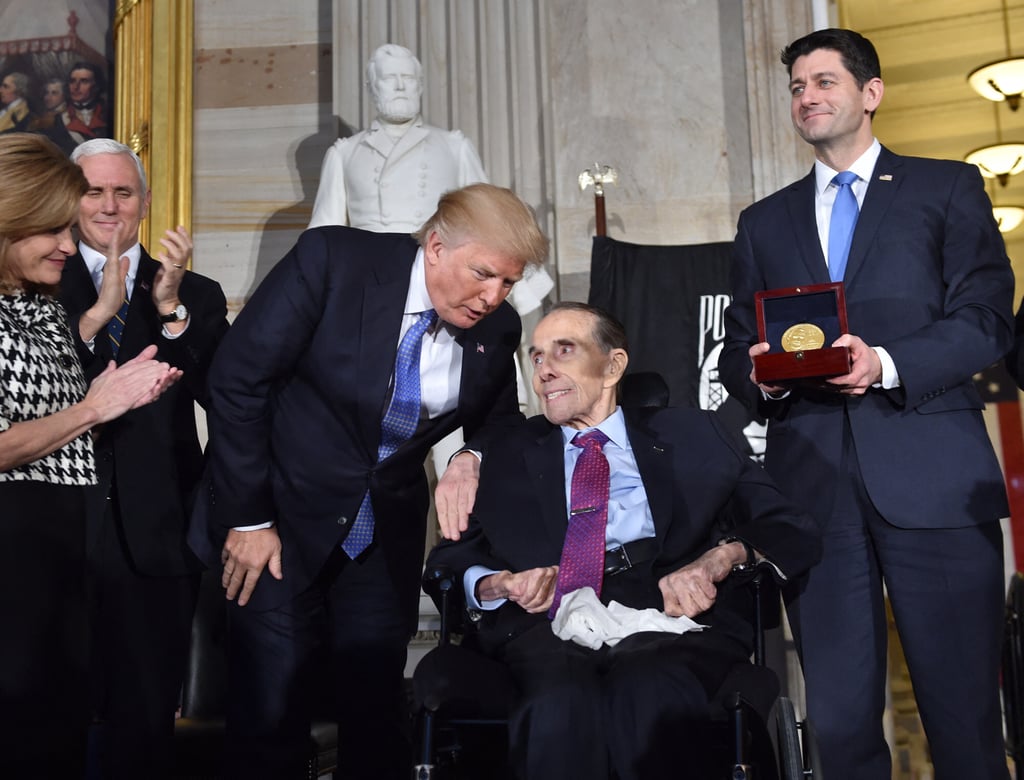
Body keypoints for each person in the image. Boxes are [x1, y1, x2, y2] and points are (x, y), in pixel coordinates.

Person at [718, 28, 1014, 780]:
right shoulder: (763, 220)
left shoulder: (945, 188)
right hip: (813, 493)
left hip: (935, 482)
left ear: (870, 93)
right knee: (841, 725)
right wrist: (767, 376)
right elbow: (737, 350)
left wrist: (884, 363)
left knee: (963, 716)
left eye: (823, 82)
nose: (807, 97)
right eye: (796, 87)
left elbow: (986, 320)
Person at [188, 182, 549, 779]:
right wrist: (249, 519)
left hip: (379, 539)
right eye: (484, 274)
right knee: (271, 717)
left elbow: (501, 427)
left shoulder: (497, 329)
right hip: (276, 522)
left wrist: (471, 458)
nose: (493, 297)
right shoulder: (333, 263)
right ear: (435, 246)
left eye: (508, 282)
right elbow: (235, 380)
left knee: (377, 719)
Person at [426, 302, 821, 779]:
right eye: (536, 357)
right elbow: (448, 560)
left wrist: (720, 558)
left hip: (666, 622)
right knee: (559, 700)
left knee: (650, 691)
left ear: (613, 365)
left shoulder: (697, 435)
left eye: (563, 351)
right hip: (543, 626)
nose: (544, 370)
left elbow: (786, 525)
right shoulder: (504, 454)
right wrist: (497, 584)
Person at [0, 132, 180, 776]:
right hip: (12, 561)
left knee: (60, 733)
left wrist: (99, 322)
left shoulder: (40, 304)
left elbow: (35, 378)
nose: (70, 245)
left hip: (64, 557)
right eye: (52, 230)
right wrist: (93, 408)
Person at [58, 138, 230, 778]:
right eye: (94, 191)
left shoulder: (197, 294)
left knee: (144, 719)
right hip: (53, 528)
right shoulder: (36, 281)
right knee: (47, 715)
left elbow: (224, 398)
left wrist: (171, 311)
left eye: (122, 192)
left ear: (146, 203)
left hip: (157, 536)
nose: (108, 205)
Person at [309, 43, 488, 233]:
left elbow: (486, 219)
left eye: (408, 78)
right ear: (371, 89)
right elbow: (325, 226)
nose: (400, 86)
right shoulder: (343, 153)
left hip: (434, 255)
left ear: (419, 87)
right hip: (366, 259)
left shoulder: (455, 147)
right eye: (389, 78)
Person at [64, 61, 110, 144]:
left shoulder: (110, 116)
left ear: (97, 86)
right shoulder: (57, 120)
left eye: (84, 81)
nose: (76, 87)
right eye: (72, 81)